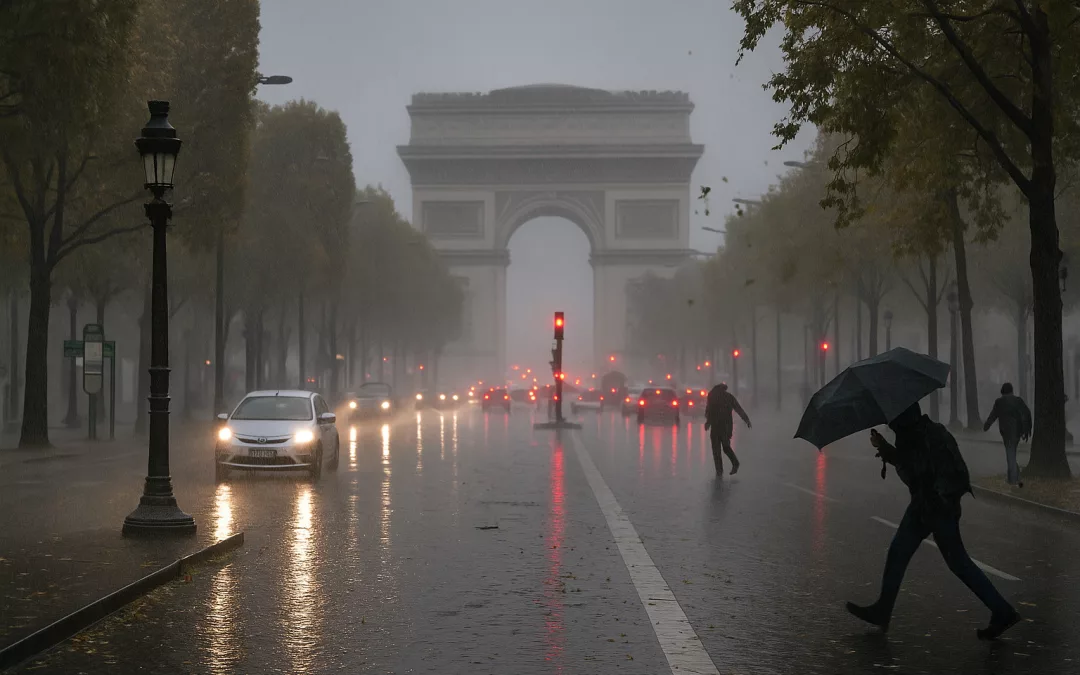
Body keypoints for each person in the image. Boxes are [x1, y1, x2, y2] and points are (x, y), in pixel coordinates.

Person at [846, 402, 1020, 640]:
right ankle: (1001, 610)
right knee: (937, 558)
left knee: (939, 559)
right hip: (942, 503)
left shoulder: (911, 438)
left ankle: (1002, 610)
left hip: (930, 507)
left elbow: (913, 474)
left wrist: (886, 450)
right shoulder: (934, 429)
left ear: (901, 421)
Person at [983, 382, 1032, 487]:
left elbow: (993, 415)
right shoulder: (1018, 401)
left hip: (1006, 433)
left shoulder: (999, 402)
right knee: (1012, 454)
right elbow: (1026, 413)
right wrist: (1025, 430)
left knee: (1010, 455)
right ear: (1011, 390)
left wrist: (986, 426)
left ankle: (1013, 480)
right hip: (1017, 432)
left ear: (1003, 391)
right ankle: (1015, 477)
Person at [703, 382, 750, 477]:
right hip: (725, 426)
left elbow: (709, 411)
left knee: (718, 450)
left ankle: (720, 470)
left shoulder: (712, 396)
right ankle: (730, 465)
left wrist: (708, 422)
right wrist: (746, 419)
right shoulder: (728, 397)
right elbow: (738, 409)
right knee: (725, 447)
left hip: (718, 427)